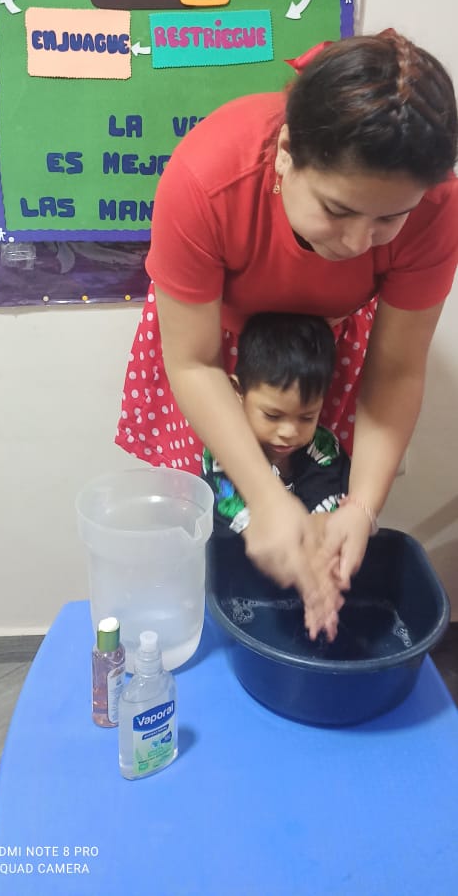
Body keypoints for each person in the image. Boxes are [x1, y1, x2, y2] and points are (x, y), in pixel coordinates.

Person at [115, 31, 458, 639]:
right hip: (214, 350)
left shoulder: (437, 206)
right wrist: (265, 499)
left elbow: (398, 369)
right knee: (222, 506)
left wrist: (362, 507)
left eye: (390, 218)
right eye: (337, 210)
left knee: (317, 486)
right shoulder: (206, 179)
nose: (358, 244)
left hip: (320, 348)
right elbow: (194, 363)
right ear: (286, 153)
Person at [203, 311, 351, 538]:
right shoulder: (223, 451)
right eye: (272, 416)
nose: (289, 432)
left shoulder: (324, 449)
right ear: (238, 391)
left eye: (307, 417)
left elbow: (326, 510)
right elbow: (230, 513)